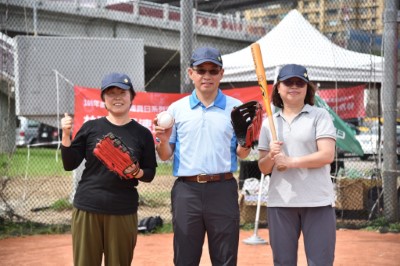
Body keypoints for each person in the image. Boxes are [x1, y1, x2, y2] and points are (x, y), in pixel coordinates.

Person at [154, 47, 251, 266]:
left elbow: (242, 152)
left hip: (223, 187)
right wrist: (162, 140)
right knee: (185, 258)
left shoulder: (236, 108)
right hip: (187, 191)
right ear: (191, 73)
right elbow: (166, 154)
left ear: (221, 74)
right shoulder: (176, 110)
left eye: (213, 70)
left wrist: (247, 142)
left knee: (225, 258)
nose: (207, 76)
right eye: (201, 70)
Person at [60, 72, 157, 266]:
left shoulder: (142, 134)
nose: (117, 97)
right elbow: (69, 164)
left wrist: (136, 172)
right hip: (88, 207)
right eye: (111, 93)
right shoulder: (91, 128)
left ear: (131, 97)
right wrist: (65, 134)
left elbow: (150, 173)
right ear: (104, 99)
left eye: (122, 92)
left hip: (123, 210)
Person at [258, 64, 336, 266]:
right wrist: (272, 157)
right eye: (288, 82)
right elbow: (263, 168)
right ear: (278, 88)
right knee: (283, 262)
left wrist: (290, 162)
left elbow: (327, 155)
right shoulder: (269, 123)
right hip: (281, 202)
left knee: (321, 262)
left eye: (299, 82)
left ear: (307, 87)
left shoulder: (320, 115)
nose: (294, 86)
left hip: (317, 201)